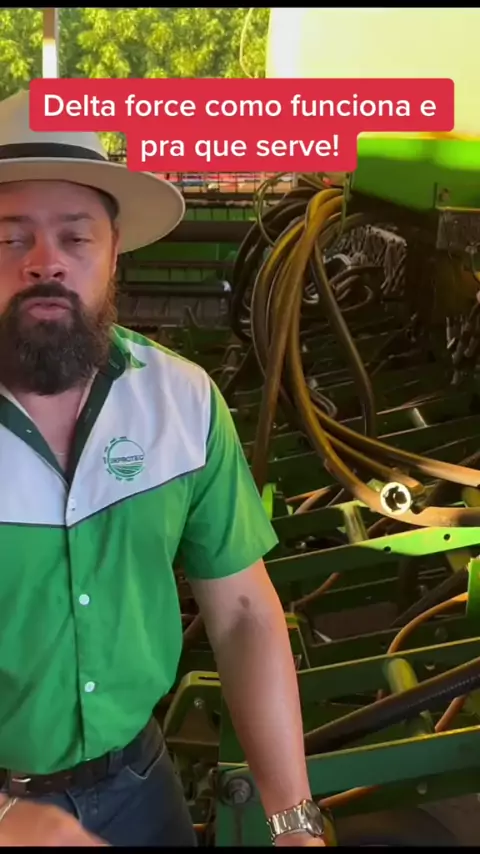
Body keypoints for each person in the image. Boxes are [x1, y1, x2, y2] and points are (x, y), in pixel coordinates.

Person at [0, 89, 326, 847]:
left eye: (75, 237)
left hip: (140, 790)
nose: (45, 262)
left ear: (114, 250)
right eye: (9, 237)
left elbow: (242, 613)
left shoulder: (182, 403)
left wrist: (294, 818)